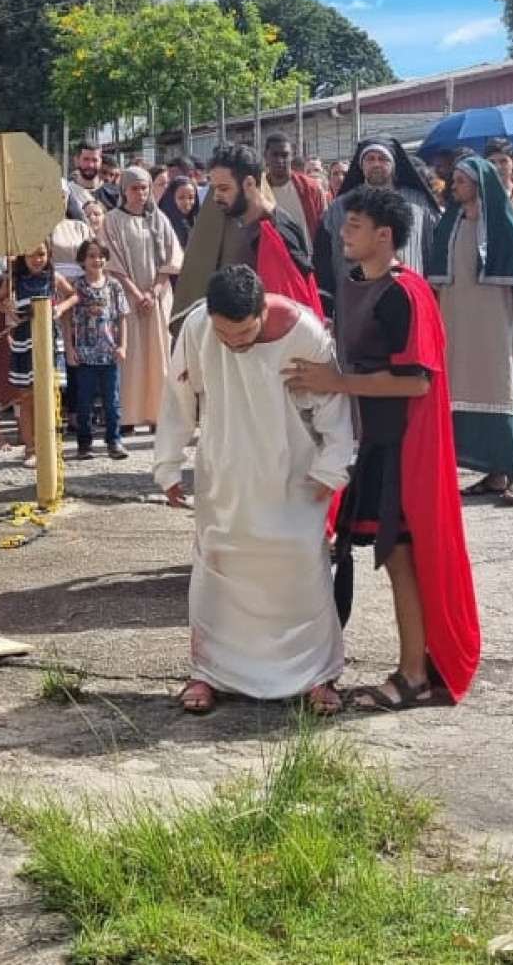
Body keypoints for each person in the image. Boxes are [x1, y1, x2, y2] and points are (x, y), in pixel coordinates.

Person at [287, 189, 482, 712]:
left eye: (354, 226)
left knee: (403, 558)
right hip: (372, 441)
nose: (343, 234)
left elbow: (415, 383)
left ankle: (414, 673)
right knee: (392, 555)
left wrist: (336, 382)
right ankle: (409, 667)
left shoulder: (404, 293)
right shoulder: (354, 284)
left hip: (402, 447)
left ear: (384, 236)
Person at [153, 266, 353, 716]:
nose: (234, 344)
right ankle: (208, 672)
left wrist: (331, 466)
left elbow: (333, 405)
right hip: (224, 470)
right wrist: (168, 463)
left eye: (243, 334)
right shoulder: (200, 325)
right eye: (225, 335)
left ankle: (317, 675)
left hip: (294, 474)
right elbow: (178, 394)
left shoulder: (304, 332)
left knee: (302, 570)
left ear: (263, 310)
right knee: (218, 572)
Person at [424, 153, 513, 504]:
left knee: (501, 391)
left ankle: (512, 475)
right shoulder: (451, 222)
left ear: (478, 185)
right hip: (457, 324)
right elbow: (437, 280)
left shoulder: (503, 225)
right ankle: (491, 475)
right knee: (459, 391)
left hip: (497, 324)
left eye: (461, 181)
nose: (455, 187)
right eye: (455, 181)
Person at [174, 143, 316, 320]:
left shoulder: (275, 233)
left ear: (249, 183)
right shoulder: (239, 224)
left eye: (224, 189)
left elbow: (285, 310)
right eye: (214, 189)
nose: (216, 196)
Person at [104, 166, 183, 431]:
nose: (140, 193)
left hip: (157, 298)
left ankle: (157, 413)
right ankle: (128, 414)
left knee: (158, 354)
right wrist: (136, 294)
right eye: (135, 188)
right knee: (130, 356)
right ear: (124, 190)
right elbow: (111, 261)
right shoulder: (112, 220)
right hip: (126, 296)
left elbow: (172, 258)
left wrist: (154, 291)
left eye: (144, 188)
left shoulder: (159, 219)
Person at [317, 137, 438, 297]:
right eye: (370, 159)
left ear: (394, 165)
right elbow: (325, 256)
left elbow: (434, 249)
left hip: (409, 292)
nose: (376, 164)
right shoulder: (340, 206)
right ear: (361, 165)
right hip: (357, 297)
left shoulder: (419, 203)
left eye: (383, 159)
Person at [0, 241, 76, 464]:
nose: (37, 260)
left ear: (48, 254)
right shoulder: (14, 279)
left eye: (41, 254)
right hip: (25, 340)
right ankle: (30, 448)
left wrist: (61, 307)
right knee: (27, 397)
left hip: (49, 339)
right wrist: (7, 306)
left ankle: (49, 445)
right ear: (23, 257)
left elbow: (74, 295)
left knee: (50, 395)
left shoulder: (53, 277)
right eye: (31, 255)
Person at [63, 240, 128, 460]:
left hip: (108, 353)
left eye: (100, 256)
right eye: (91, 256)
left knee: (112, 401)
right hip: (84, 353)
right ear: (83, 260)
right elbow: (67, 318)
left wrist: (123, 345)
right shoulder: (77, 286)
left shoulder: (114, 286)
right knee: (84, 401)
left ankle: (114, 440)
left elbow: (121, 316)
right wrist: (69, 348)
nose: (96, 260)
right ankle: (84, 443)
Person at [261, 133, 327, 248]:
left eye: (285, 155)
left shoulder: (311, 188)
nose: (280, 160)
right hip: (273, 259)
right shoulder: (258, 191)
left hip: (308, 260)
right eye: (275, 155)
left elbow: (325, 226)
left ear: (291, 156)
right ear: (266, 156)